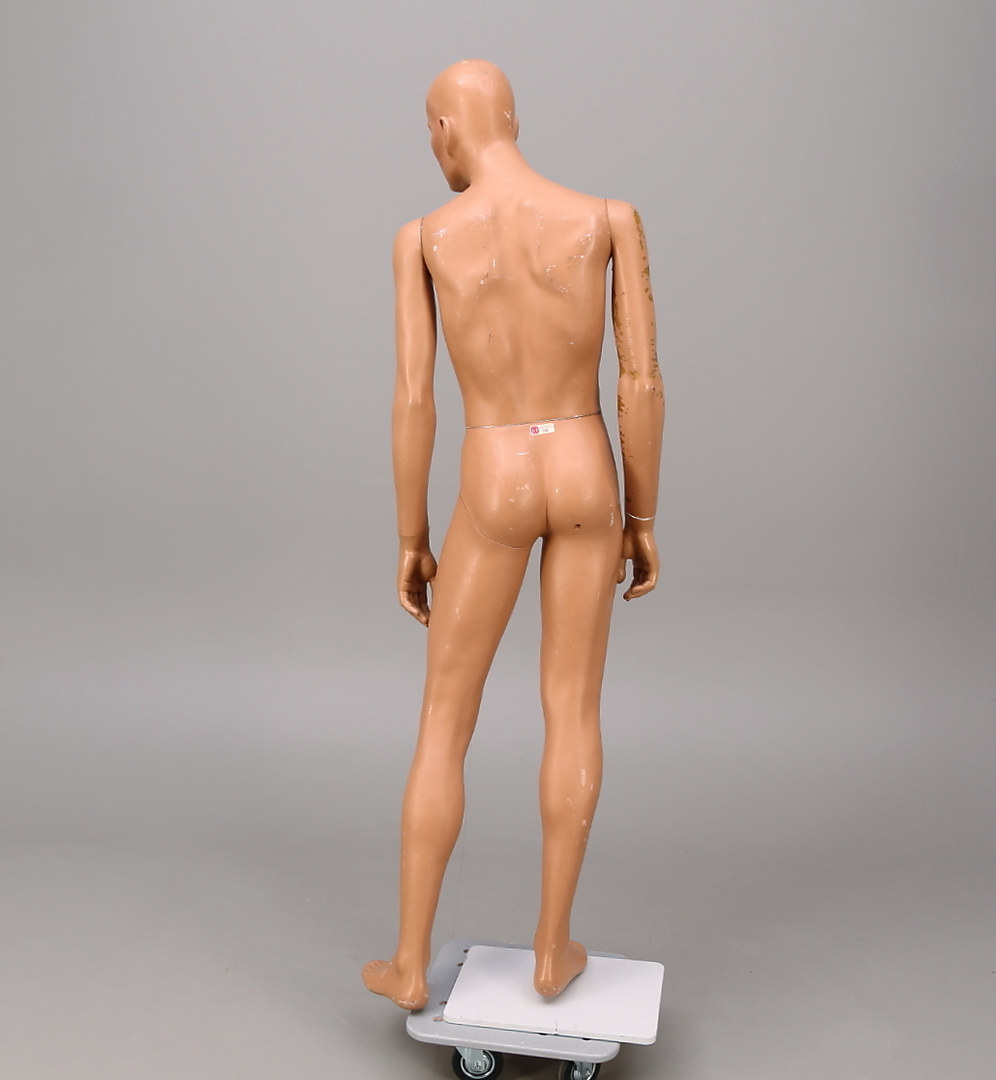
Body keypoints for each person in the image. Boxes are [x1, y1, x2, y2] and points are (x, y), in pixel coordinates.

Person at [363, 59, 664, 1011]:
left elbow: (414, 400)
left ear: (450, 128)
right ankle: (550, 948)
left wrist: (411, 534)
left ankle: (411, 963)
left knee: (444, 721)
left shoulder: (423, 240)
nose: (433, 147)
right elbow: (641, 384)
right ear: (516, 119)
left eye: (431, 129)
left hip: (494, 469)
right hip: (583, 464)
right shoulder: (607, 218)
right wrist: (643, 516)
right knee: (571, 711)